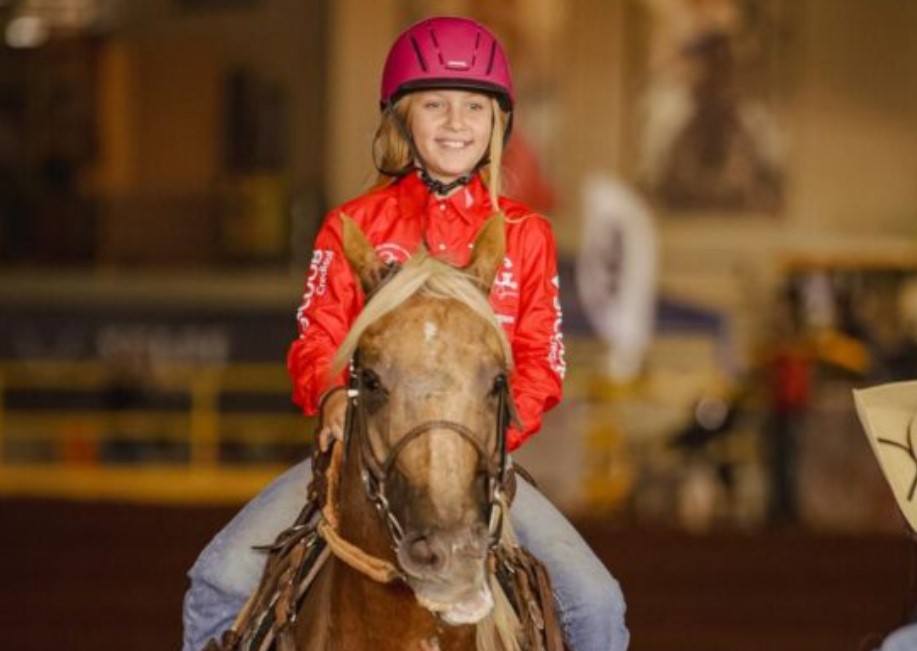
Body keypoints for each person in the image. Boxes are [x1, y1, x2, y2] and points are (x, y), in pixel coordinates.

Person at [182, 16, 628, 651]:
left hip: (479, 466)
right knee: (219, 581)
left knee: (598, 605)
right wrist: (330, 398)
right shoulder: (352, 225)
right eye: (435, 104)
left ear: (497, 122)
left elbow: (540, 361)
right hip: (361, 460)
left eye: (474, 106)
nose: (455, 123)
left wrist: (479, 440)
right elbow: (318, 338)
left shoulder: (526, 236)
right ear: (402, 119)